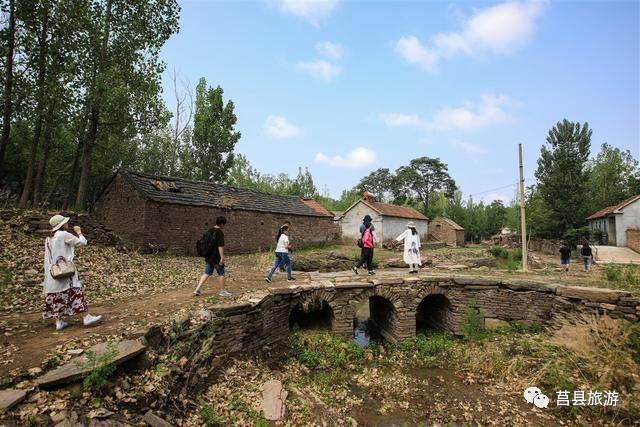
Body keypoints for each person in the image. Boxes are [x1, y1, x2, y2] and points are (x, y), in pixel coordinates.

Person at [43, 214, 103, 330]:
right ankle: (86, 317)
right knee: (76, 292)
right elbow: (82, 242)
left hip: (54, 272)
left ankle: (59, 322)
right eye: (65, 222)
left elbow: (48, 258)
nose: (67, 224)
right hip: (66, 271)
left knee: (58, 296)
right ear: (61, 224)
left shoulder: (49, 238)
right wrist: (79, 232)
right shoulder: (63, 234)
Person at [194, 216, 230, 297]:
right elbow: (220, 246)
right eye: (224, 224)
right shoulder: (219, 232)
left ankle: (197, 289)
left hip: (209, 256)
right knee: (222, 273)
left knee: (207, 273)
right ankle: (222, 291)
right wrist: (222, 257)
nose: (224, 226)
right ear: (222, 224)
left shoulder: (210, 230)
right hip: (216, 257)